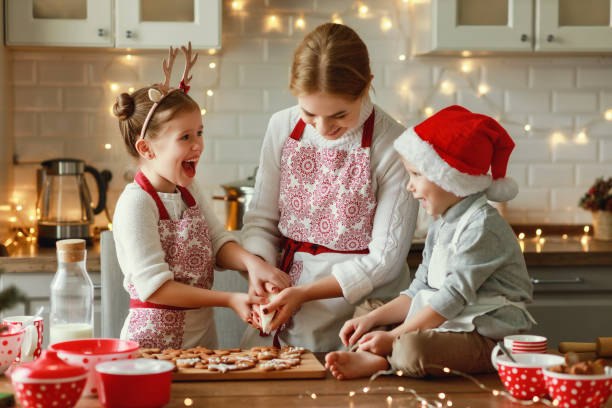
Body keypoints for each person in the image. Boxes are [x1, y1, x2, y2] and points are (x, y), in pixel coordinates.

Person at [240, 23, 419, 352]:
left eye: (339, 114)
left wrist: (304, 294)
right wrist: (261, 269)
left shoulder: (393, 143)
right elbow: (260, 221)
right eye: (309, 113)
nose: (323, 128)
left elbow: (385, 261)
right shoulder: (281, 126)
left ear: (367, 87)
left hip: (363, 315)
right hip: (283, 301)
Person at [325, 105, 536, 379]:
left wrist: (396, 335)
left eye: (416, 174)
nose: (409, 186)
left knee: (411, 348)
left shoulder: (482, 226)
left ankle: (383, 360)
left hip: (487, 336)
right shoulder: (442, 225)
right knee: (369, 310)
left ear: (450, 179)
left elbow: (451, 298)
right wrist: (372, 320)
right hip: (448, 322)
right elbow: (420, 290)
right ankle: (378, 354)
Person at [112, 43, 290, 350]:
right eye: (185, 137)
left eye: (199, 132)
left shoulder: (189, 191)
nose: (198, 145)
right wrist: (229, 299)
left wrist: (251, 263)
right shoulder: (136, 203)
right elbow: (155, 289)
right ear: (146, 148)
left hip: (201, 341)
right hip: (153, 347)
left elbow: (218, 243)